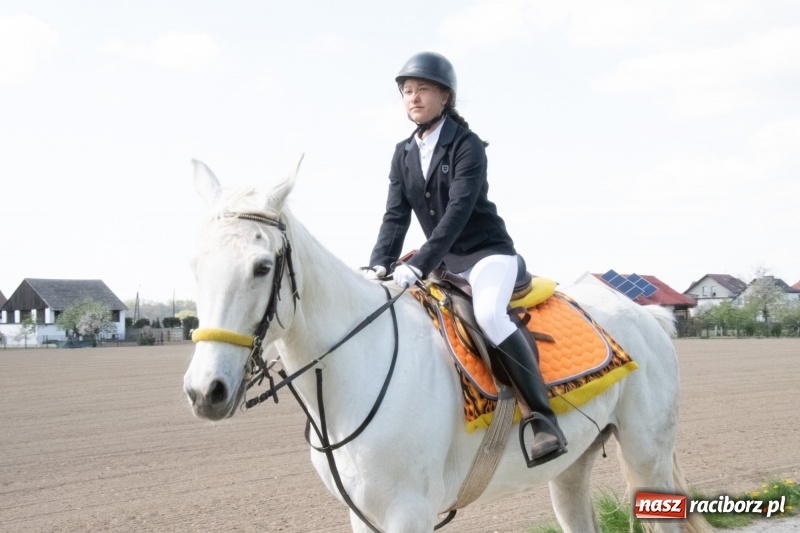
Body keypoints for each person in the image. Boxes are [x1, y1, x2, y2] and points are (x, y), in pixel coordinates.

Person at [365, 51, 567, 466]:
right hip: (443, 261)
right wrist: (379, 264)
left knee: (491, 316)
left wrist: (418, 264)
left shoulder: (467, 144)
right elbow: (395, 216)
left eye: (422, 89)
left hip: (487, 254)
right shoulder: (402, 153)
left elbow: (457, 213)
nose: (413, 97)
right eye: (407, 91)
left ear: (445, 96)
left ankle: (543, 420)